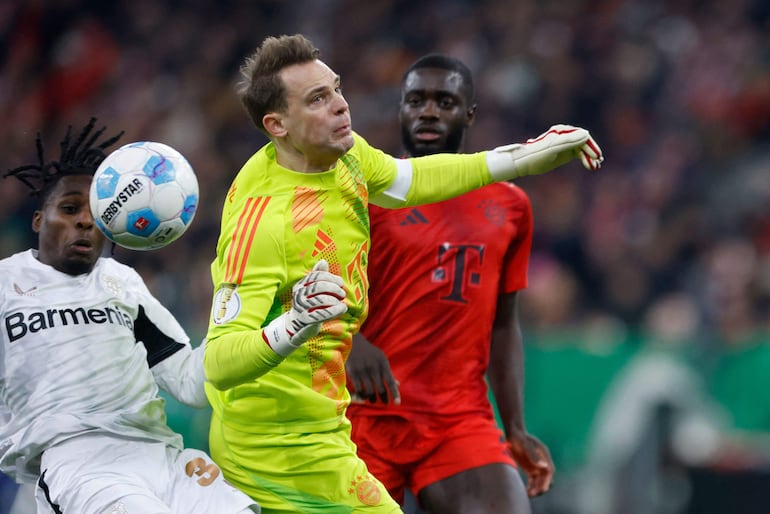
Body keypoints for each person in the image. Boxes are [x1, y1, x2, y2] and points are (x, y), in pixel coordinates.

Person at [203, 33, 602, 514]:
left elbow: (411, 181)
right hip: (285, 438)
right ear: (277, 124)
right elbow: (220, 361)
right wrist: (303, 325)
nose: (340, 106)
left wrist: (520, 157)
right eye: (317, 99)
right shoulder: (264, 222)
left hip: (383, 419)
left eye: (336, 89)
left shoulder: (348, 158)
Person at [0, 118, 260, 514]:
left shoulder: (123, 283)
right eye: (69, 209)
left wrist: (241, 310)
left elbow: (190, 384)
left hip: (159, 455)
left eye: (95, 214)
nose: (85, 220)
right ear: (39, 220)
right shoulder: (5, 283)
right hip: (79, 464)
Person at [344, 54, 554, 514]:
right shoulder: (361, 193)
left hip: (457, 420)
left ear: (469, 114)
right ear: (401, 109)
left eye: (445, 101)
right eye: (416, 100)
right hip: (360, 418)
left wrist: (514, 426)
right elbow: (299, 287)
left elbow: (503, 325)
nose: (429, 111)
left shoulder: (510, 205)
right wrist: (350, 338)